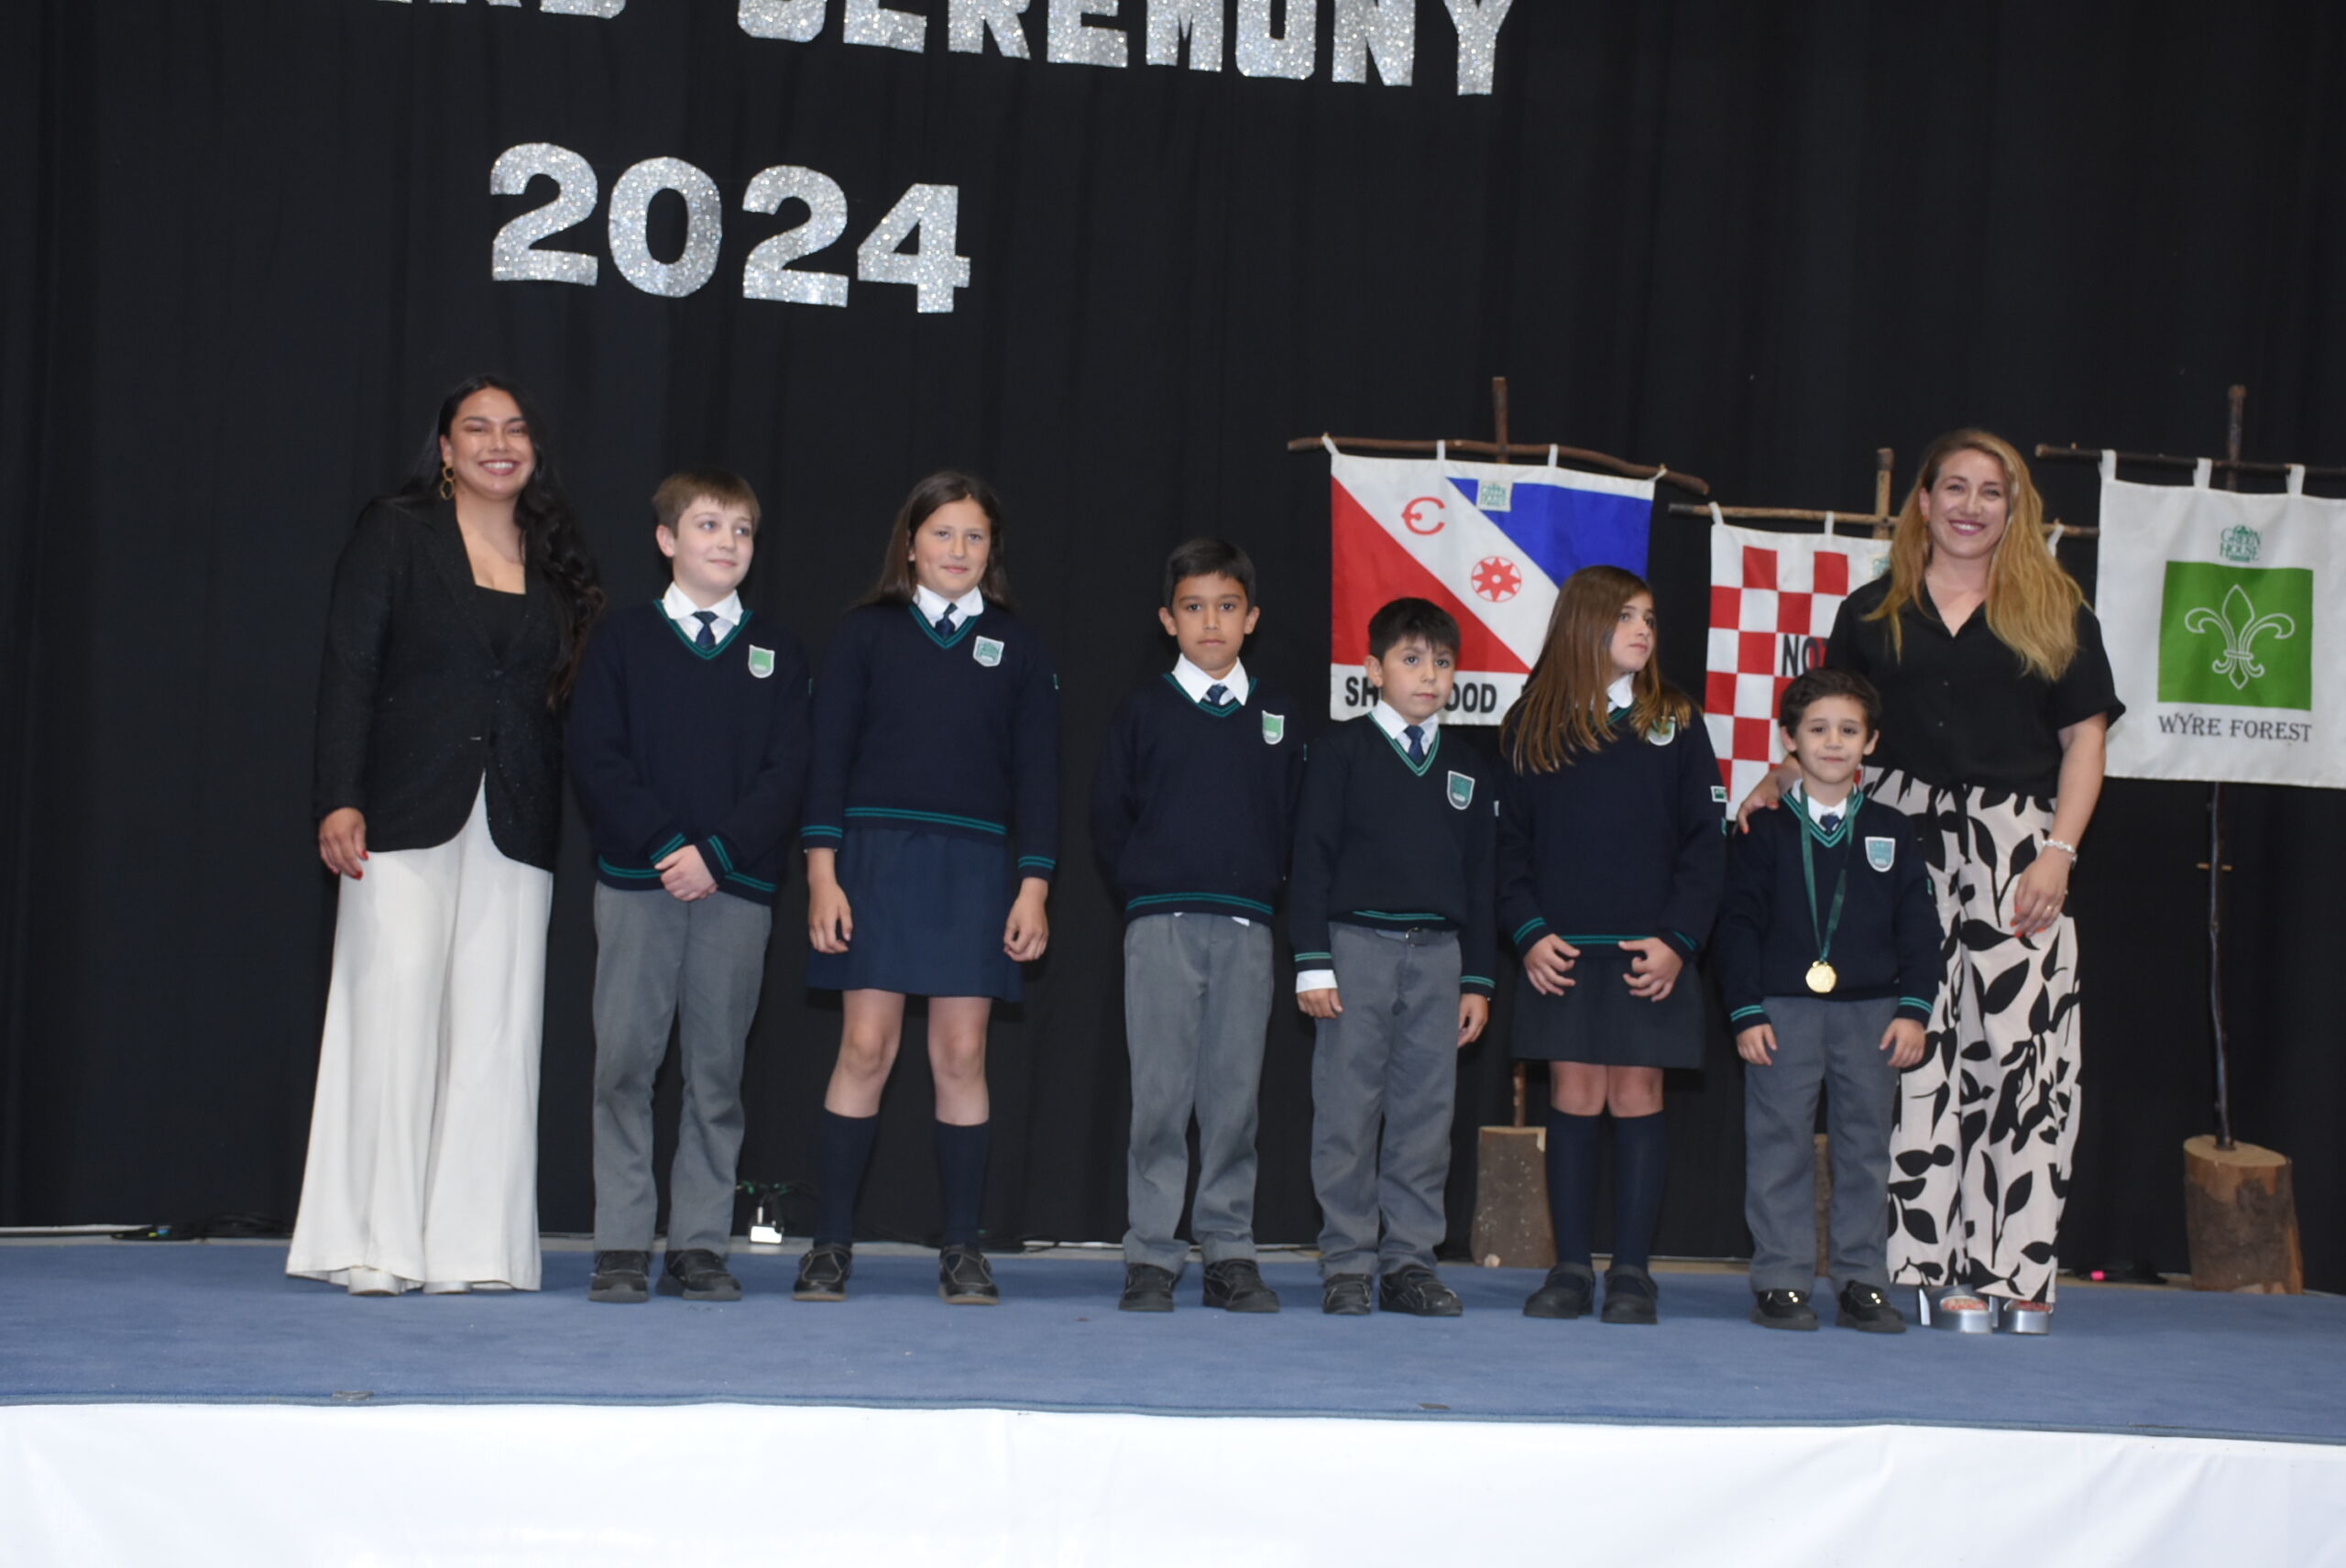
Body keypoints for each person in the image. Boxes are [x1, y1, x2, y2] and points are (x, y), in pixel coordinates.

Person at [1739, 430, 2121, 1332]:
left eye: (1991, 491)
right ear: (1922, 501)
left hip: (2018, 852)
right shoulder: (1873, 612)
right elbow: (1830, 722)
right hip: (1890, 846)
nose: (1970, 506)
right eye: (1954, 487)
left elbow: (2086, 739)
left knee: (2021, 1059)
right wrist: (1775, 779)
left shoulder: (2057, 612)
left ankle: (2015, 1267)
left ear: (2014, 508)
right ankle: (1916, 1262)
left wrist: (2059, 852)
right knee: (1908, 1054)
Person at [289, 374, 604, 1295]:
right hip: (399, 810)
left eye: (515, 429)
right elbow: (350, 667)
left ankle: (473, 1250)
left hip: (517, 818)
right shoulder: (396, 532)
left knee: (496, 1034)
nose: (498, 444)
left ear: (534, 450)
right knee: (392, 1023)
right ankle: (375, 1244)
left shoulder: (556, 559)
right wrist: (339, 796)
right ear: (446, 449)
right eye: (477, 428)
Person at [795, 471, 1058, 1306]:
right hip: (873, 861)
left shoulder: (1019, 646)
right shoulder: (864, 633)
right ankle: (830, 1243)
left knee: (962, 1053)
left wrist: (1034, 885)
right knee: (865, 1047)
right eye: (942, 532)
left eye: (975, 535)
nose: (958, 549)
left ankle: (962, 1246)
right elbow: (826, 761)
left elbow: (1039, 778)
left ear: (992, 550)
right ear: (910, 543)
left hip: (976, 867)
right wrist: (823, 874)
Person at [566, 470, 810, 1305]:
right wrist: (669, 845)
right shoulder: (623, 640)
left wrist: (718, 853)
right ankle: (622, 1242)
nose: (727, 543)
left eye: (742, 530)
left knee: (716, 1073)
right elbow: (596, 755)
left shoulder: (778, 652)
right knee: (624, 1066)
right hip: (639, 884)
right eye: (709, 525)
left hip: (735, 891)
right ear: (667, 539)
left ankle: (700, 1243)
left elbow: (788, 771)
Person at [1499, 565, 1724, 1326]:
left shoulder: (1675, 720)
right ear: (1583, 623)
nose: (1643, 631)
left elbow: (1705, 844)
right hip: (1561, 953)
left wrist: (1678, 941)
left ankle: (1632, 1270)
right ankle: (1570, 1267)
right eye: (1626, 616)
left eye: (1650, 619)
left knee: (1635, 1094)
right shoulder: (1532, 722)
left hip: (1648, 953)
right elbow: (1508, 848)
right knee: (1572, 1094)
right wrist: (1529, 934)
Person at [1092, 540, 1302, 1313]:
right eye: (1193, 607)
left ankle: (1228, 1249)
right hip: (1163, 926)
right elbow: (1109, 816)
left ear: (1252, 618)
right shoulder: (1142, 710)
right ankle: (1152, 1252)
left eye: (1226, 606)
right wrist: (1146, 886)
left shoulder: (1279, 716)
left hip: (1248, 929)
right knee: (1159, 1096)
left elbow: (1296, 820)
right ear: (1167, 619)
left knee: (1234, 1099)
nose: (1210, 622)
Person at [1289, 598, 1496, 1317]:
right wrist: (1312, 959)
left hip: (1440, 956)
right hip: (1356, 950)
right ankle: (1347, 1260)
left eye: (1442, 662)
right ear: (1374, 670)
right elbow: (1311, 857)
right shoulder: (1340, 751)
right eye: (1411, 660)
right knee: (1348, 1110)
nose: (1429, 675)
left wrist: (1477, 977)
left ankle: (1409, 1260)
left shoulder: (1468, 765)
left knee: (1425, 1115)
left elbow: (1482, 877)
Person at [1716, 668, 1936, 1333]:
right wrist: (1745, 1010)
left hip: (1874, 1016)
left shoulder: (1893, 830)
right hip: (1781, 1012)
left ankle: (1862, 1280)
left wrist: (1914, 1009)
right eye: (1817, 729)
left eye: (1848, 730)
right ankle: (1781, 1280)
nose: (1833, 742)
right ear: (1790, 740)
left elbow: (1919, 929)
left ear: (1870, 742)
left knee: (1864, 1148)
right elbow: (1737, 926)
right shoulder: (1762, 829)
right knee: (1778, 1143)